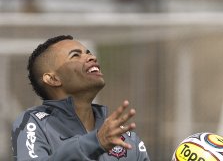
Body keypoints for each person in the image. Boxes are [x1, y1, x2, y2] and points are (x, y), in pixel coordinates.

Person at [11, 35, 150, 161]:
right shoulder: (34, 123)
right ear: (53, 79)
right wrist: (95, 142)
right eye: (76, 55)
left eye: (88, 53)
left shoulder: (126, 138)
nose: (92, 57)